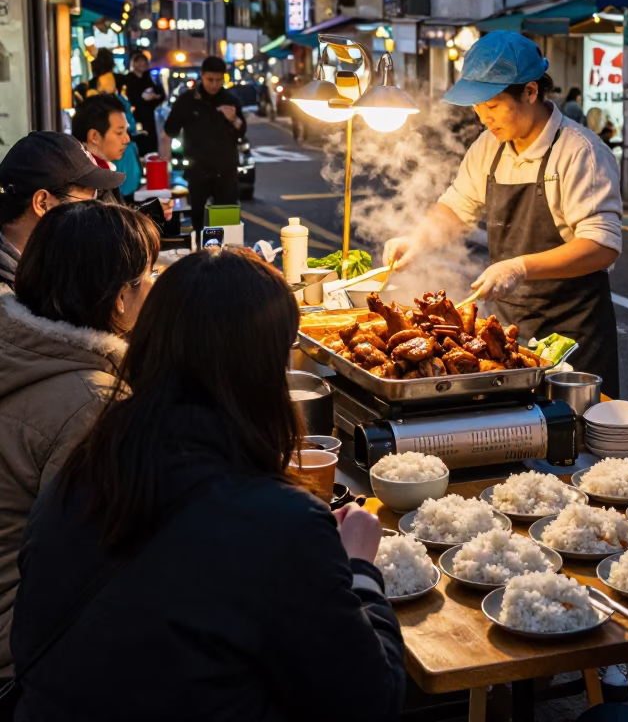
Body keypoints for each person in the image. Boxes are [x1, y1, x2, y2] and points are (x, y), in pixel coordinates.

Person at [10, 248, 405, 721]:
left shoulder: (81, 473)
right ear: (262, 370)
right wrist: (358, 567)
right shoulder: (283, 524)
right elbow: (371, 700)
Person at [384, 31, 623, 395]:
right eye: (478, 108)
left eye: (492, 106)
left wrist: (519, 266)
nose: (484, 119)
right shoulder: (489, 147)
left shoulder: (581, 152)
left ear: (530, 91)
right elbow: (456, 206)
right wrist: (418, 239)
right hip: (509, 329)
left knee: (571, 435)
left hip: (574, 330)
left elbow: (601, 245)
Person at [0, 201, 159, 684]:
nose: (157, 283)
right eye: (148, 273)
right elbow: (99, 560)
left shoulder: (22, 347)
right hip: (23, 643)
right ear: (119, 300)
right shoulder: (91, 402)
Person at [0, 132, 124, 288]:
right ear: (43, 204)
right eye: (87, 205)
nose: (96, 213)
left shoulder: (56, 262)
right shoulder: (8, 298)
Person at [163, 56, 246, 236]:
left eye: (218, 80)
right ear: (202, 76)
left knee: (228, 223)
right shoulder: (187, 100)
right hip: (197, 169)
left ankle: (227, 259)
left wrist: (234, 120)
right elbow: (170, 129)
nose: (214, 85)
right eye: (210, 80)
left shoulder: (231, 100)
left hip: (226, 171)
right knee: (198, 221)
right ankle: (200, 255)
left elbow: (242, 131)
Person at [124, 51, 166, 155]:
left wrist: (154, 97)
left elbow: (161, 94)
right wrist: (142, 98)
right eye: (139, 62)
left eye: (144, 62)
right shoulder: (128, 79)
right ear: (134, 63)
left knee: (151, 142)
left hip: (150, 116)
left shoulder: (150, 77)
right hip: (135, 116)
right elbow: (129, 98)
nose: (142, 64)